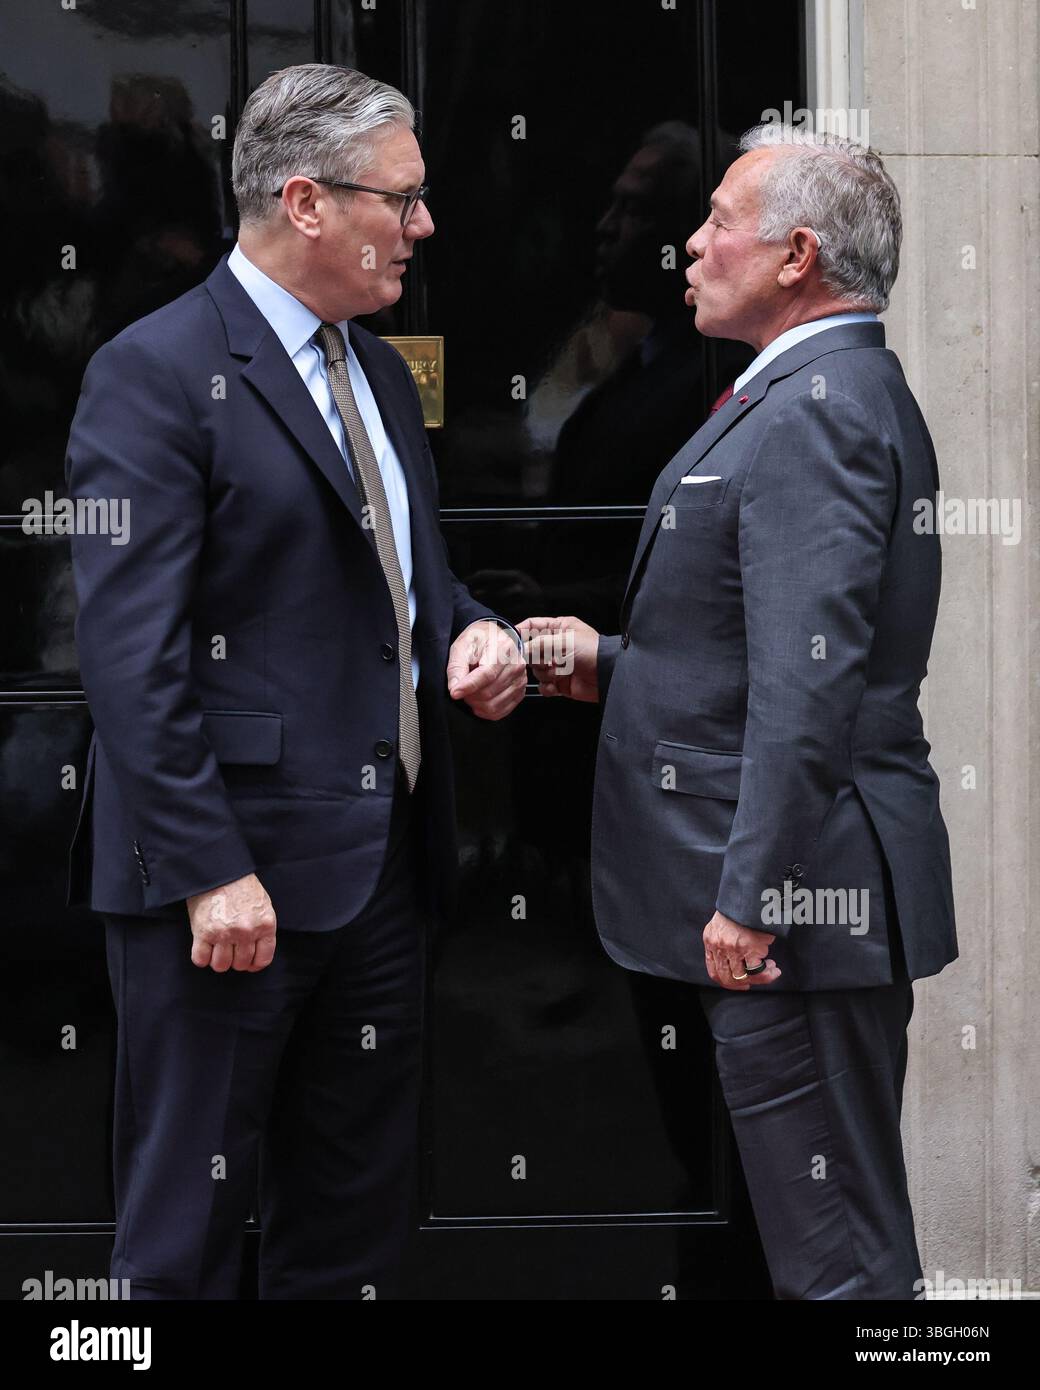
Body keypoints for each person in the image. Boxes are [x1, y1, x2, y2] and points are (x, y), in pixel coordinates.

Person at [64, 62, 526, 1300]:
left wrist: (471, 636)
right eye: (402, 199)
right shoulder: (154, 371)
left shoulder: (377, 373)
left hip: (382, 876)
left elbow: (409, 581)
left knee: (350, 1230)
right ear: (306, 201)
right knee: (183, 1239)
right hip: (228, 887)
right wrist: (209, 869)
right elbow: (131, 654)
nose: (424, 225)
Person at [523, 123, 957, 1300]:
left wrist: (752, 895)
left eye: (717, 220)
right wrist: (600, 662)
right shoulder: (808, 390)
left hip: (794, 916)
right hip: (787, 907)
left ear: (795, 255)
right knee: (816, 1250)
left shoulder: (816, 407)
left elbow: (809, 684)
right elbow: (747, 656)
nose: (690, 245)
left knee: (839, 1267)